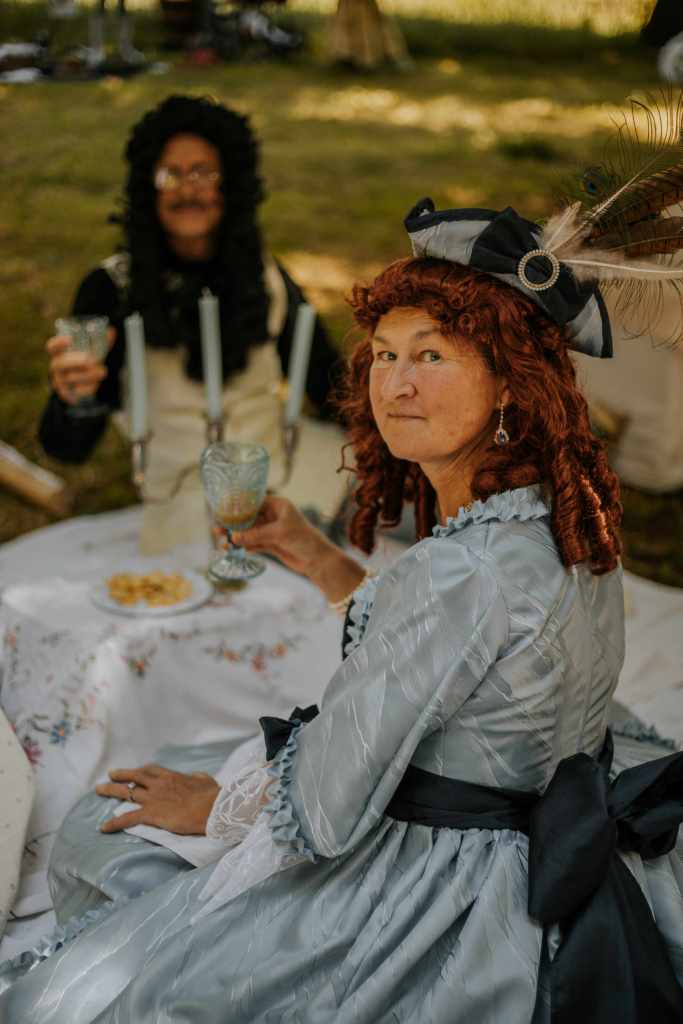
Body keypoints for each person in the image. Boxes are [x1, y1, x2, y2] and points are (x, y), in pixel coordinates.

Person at [3, 198, 682, 1022]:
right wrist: (319, 559)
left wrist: (218, 808)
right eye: (384, 353)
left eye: (430, 356)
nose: (393, 382)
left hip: (457, 883)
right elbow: (463, 663)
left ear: (509, 380)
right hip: (549, 800)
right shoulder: (571, 514)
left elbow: (322, 813)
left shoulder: (459, 571)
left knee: (99, 837)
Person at [39, 94, 346, 552]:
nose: (188, 189)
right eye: (171, 174)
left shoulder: (267, 279)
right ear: (147, 187)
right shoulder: (111, 288)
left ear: (233, 187)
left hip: (288, 477)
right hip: (180, 502)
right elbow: (69, 448)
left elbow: (332, 387)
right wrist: (73, 398)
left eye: (205, 172)